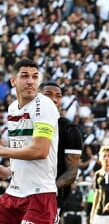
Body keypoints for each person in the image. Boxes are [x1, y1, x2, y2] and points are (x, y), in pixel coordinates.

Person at [0, 58, 60, 224]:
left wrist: (2, 151)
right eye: (25, 76)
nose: (30, 81)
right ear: (13, 81)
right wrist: (8, 170)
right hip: (14, 192)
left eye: (35, 77)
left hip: (40, 195)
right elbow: (20, 148)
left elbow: (40, 151)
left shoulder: (45, 105)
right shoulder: (12, 108)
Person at [39, 81, 83, 223]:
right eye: (48, 94)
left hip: (50, 199)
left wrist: (48, 190)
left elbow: (71, 173)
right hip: (23, 194)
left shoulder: (70, 129)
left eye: (58, 96)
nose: (54, 99)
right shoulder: (26, 124)